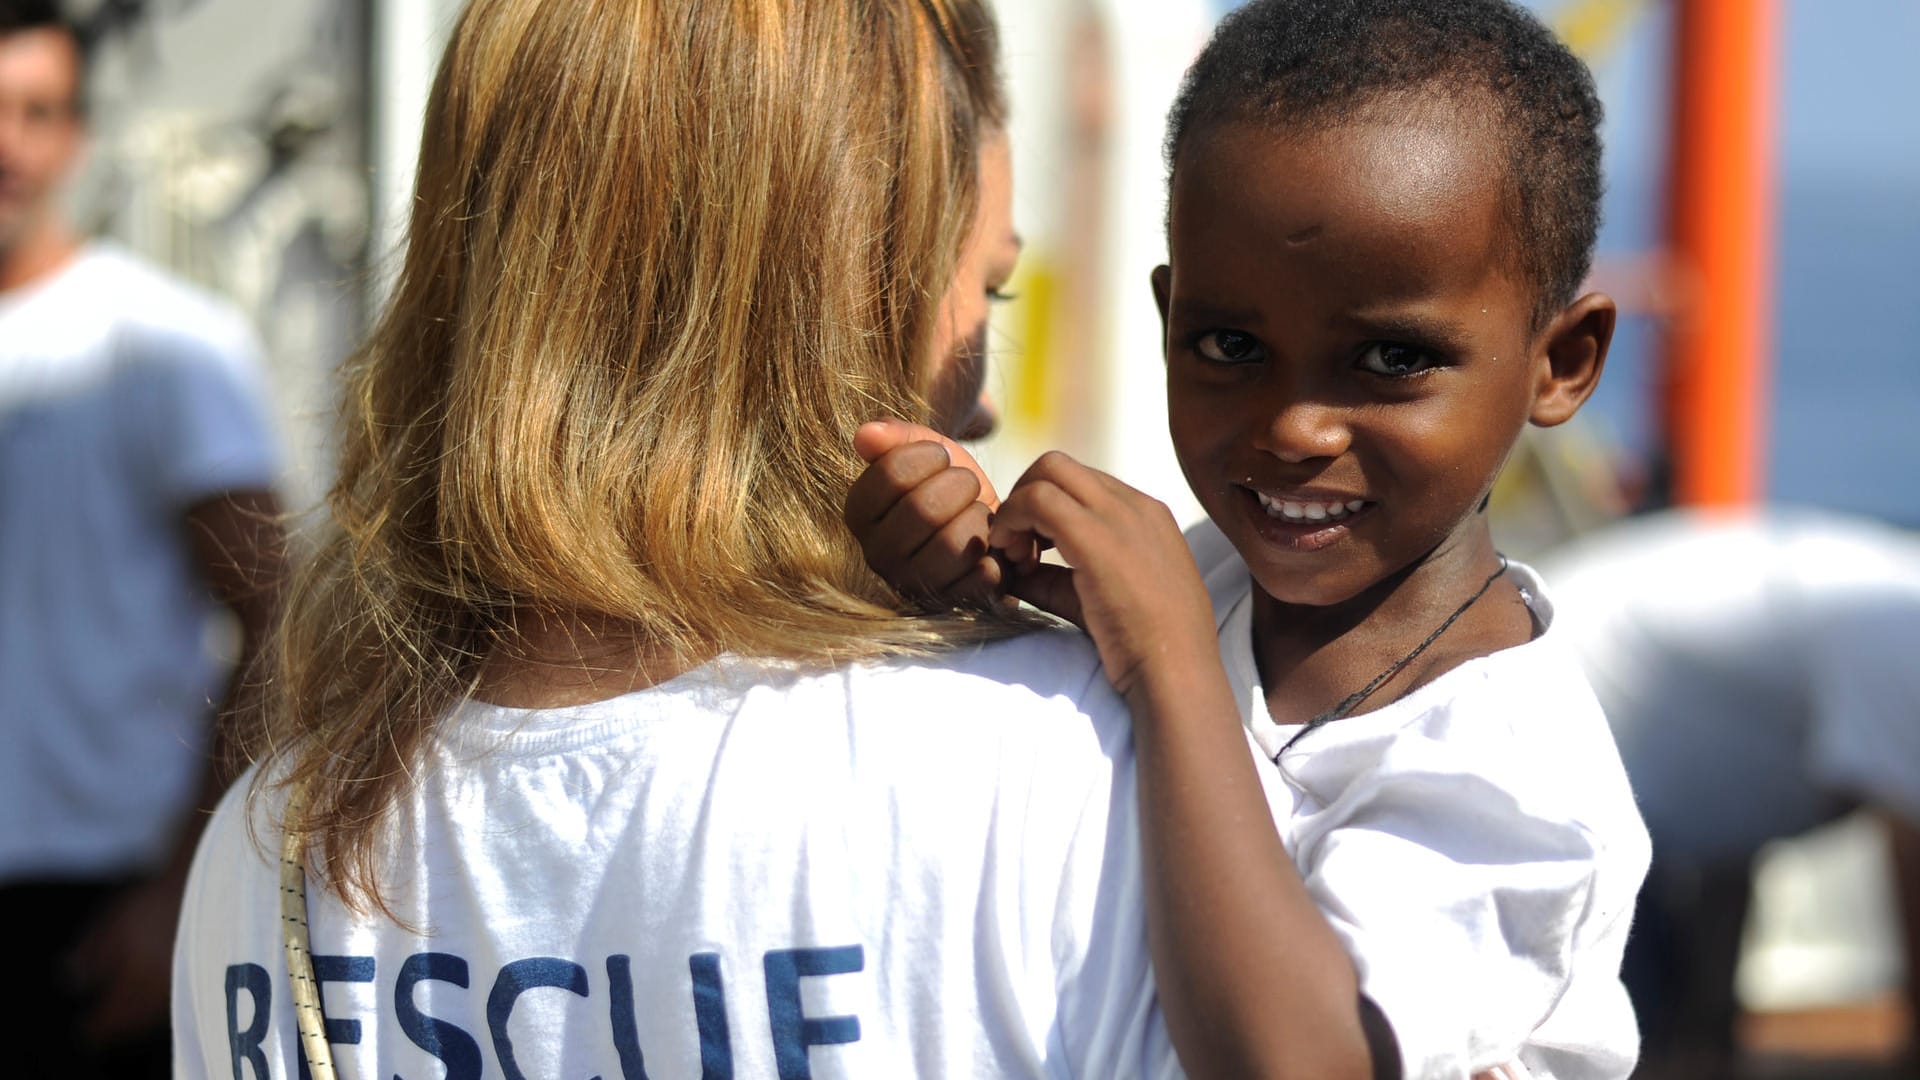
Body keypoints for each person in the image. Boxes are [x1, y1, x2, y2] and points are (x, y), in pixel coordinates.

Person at [162, 1, 1291, 1076]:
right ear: (846, 302)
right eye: (982, 296)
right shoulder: (1065, 762)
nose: (984, 406)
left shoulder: (274, 846)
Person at [845, 1, 1652, 1077]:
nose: (1294, 427)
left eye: (1392, 360)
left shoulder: (1512, 774)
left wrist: (1171, 662)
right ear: (1169, 317)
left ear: (1561, 364)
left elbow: (1301, 1063)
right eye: (1230, 343)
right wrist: (952, 575)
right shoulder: (1220, 580)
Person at [0, 2, 283, 1076]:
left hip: (91, 913)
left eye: (37, 113)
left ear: (76, 134)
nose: (8, 144)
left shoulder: (163, 344)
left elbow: (274, 612)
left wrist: (184, 893)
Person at [1532, 506, 1920, 1079]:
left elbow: (1739, 814)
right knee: (1603, 1049)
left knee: (1675, 1039)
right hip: (1556, 734)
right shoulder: (1900, 629)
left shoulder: (1883, 602)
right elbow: (1910, 848)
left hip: (1631, 763)